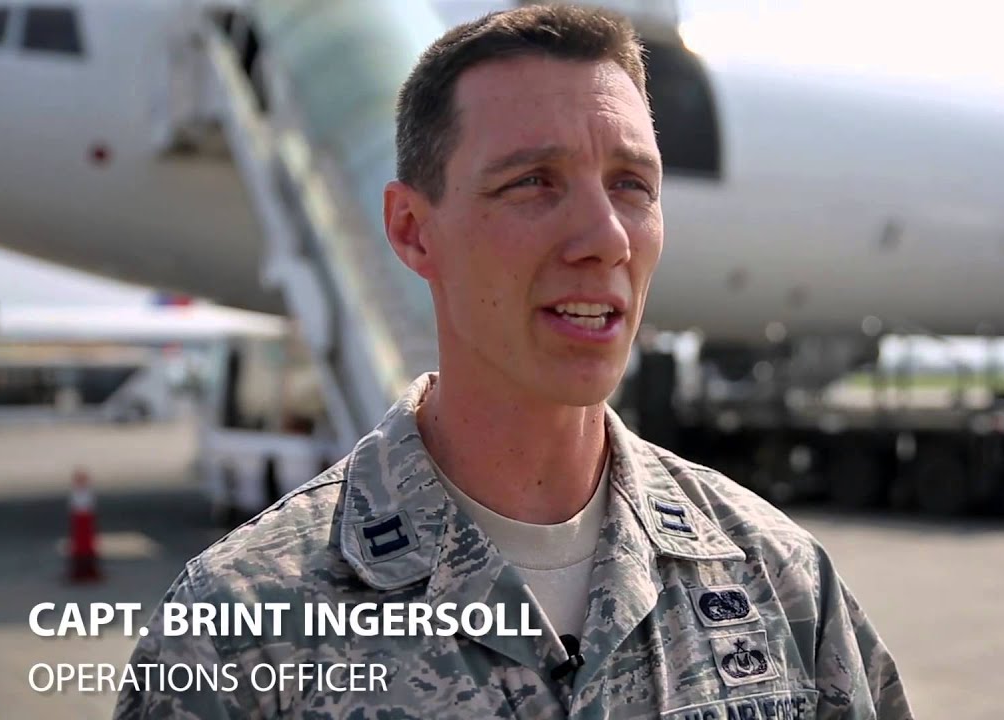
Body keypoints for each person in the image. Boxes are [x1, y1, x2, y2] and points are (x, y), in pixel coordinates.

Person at [115, 5, 913, 719]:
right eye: (534, 182)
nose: (606, 237)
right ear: (411, 230)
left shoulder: (780, 582)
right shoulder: (241, 635)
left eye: (633, 184)